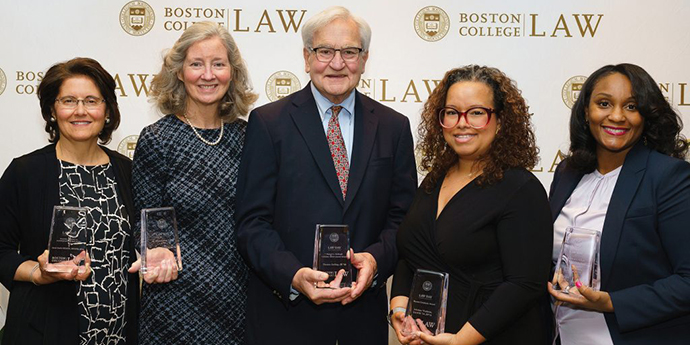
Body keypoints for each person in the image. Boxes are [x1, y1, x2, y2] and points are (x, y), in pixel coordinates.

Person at [235, 6, 417, 345]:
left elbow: (403, 220)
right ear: (307, 57)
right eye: (325, 51)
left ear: (364, 59)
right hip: (285, 322)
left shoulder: (394, 127)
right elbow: (251, 223)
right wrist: (293, 275)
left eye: (349, 52)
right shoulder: (268, 123)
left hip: (361, 322)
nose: (337, 63)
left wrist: (376, 260)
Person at [390, 65, 553, 345]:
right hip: (429, 337)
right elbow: (412, 254)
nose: (461, 122)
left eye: (477, 112)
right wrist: (399, 309)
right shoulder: (434, 179)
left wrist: (460, 340)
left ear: (500, 121)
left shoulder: (521, 189)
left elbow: (525, 284)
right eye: (452, 112)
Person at [129, 22, 257, 344]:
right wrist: (155, 249)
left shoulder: (249, 137)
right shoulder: (158, 139)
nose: (208, 74)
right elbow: (147, 218)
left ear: (232, 73)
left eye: (218, 64)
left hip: (239, 301)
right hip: (175, 304)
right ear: (180, 72)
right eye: (196, 64)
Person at [548, 63, 690, 344]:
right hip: (562, 336)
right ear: (586, 111)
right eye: (604, 103)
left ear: (646, 116)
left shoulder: (668, 176)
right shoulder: (567, 172)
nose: (616, 116)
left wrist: (611, 302)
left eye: (631, 106)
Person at [0, 57, 139, 345]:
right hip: (44, 330)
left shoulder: (127, 172)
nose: (80, 111)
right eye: (68, 101)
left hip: (118, 333)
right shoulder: (25, 172)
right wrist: (38, 273)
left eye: (91, 100)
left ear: (107, 109)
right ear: (52, 110)